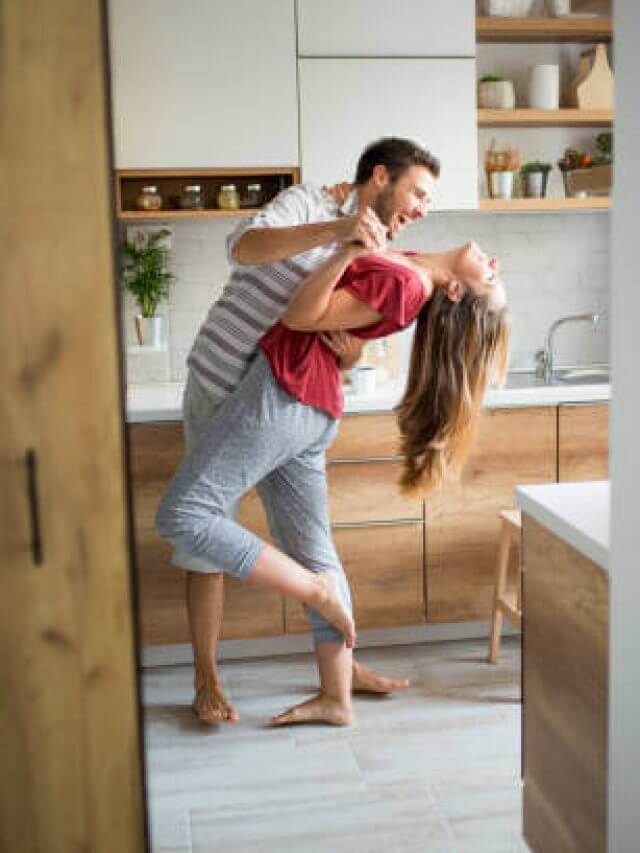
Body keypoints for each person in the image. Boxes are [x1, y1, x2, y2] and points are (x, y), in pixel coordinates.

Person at [156, 239, 509, 727]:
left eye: (489, 278)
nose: (494, 262)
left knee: (184, 514)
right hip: (314, 405)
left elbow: (303, 314)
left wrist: (345, 250)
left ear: (454, 291)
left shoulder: (409, 281)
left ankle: (314, 591)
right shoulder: (411, 264)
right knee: (314, 548)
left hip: (286, 393)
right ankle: (336, 696)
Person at [171, 137, 441, 725]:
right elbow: (243, 248)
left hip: (281, 401)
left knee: (313, 542)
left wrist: (346, 357)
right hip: (221, 384)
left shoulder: (379, 248)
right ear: (380, 176)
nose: (422, 207)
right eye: (417, 192)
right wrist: (335, 231)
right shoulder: (306, 202)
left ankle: (341, 671)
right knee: (200, 534)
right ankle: (206, 675)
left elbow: (340, 336)